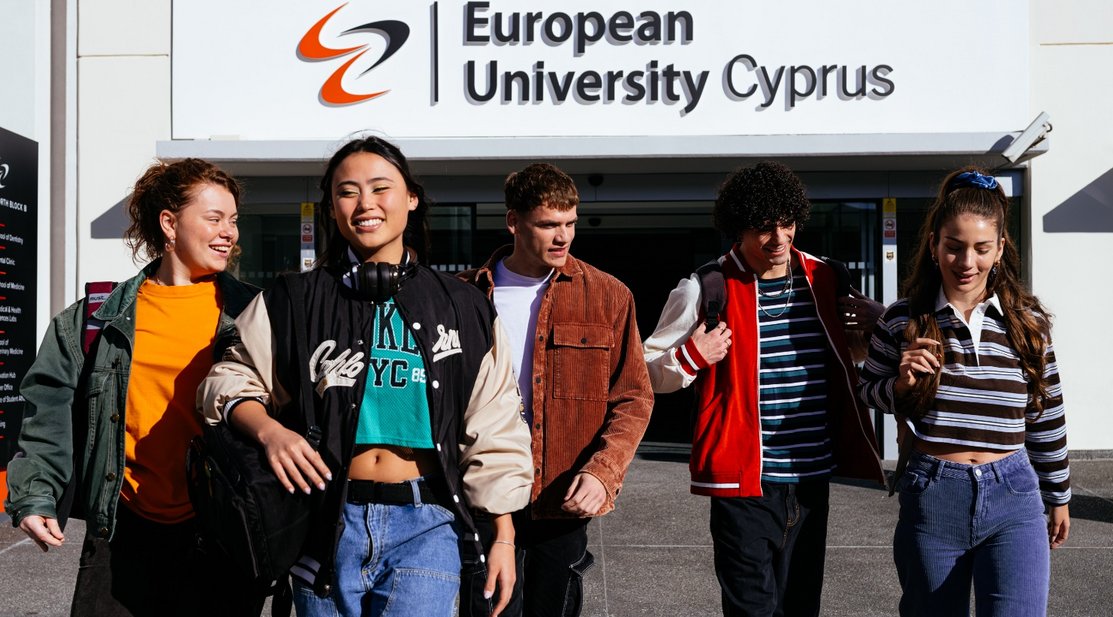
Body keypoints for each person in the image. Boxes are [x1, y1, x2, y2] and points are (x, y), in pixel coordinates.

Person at [197, 136, 533, 617]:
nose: (365, 204)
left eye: (380, 188)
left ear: (411, 198)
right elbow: (228, 380)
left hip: (427, 523)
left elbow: (495, 424)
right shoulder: (291, 300)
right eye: (347, 192)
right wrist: (270, 432)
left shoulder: (463, 306)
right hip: (323, 525)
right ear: (331, 207)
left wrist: (503, 535)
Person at [5, 158, 262, 616]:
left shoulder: (254, 315)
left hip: (220, 530)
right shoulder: (94, 320)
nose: (229, 232)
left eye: (233, 220)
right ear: (169, 223)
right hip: (122, 529)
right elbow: (48, 414)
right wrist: (35, 495)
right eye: (214, 218)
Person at [642, 161, 885, 617]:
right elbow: (644, 369)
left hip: (812, 478)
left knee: (801, 608)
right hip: (742, 485)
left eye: (787, 224)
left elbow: (850, 354)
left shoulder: (826, 277)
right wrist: (693, 356)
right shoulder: (706, 287)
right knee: (751, 610)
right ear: (738, 228)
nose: (779, 238)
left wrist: (879, 327)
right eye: (764, 228)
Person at [856, 168, 1070, 616]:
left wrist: (1059, 495)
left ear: (1000, 249)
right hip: (933, 497)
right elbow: (867, 391)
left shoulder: (1027, 324)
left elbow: (1045, 414)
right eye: (954, 246)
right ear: (934, 244)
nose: (966, 261)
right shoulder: (901, 320)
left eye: (981, 248)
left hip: (1015, 498)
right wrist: (900, 385)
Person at [458, 163, 654, 617]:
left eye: (570, 223)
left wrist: (603, 472)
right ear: (514, 221)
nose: (563, 236)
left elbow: (633, 397)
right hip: (482, 492)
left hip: (560, 496)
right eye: (548, 224)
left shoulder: (608, 296)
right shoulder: (462, 295)